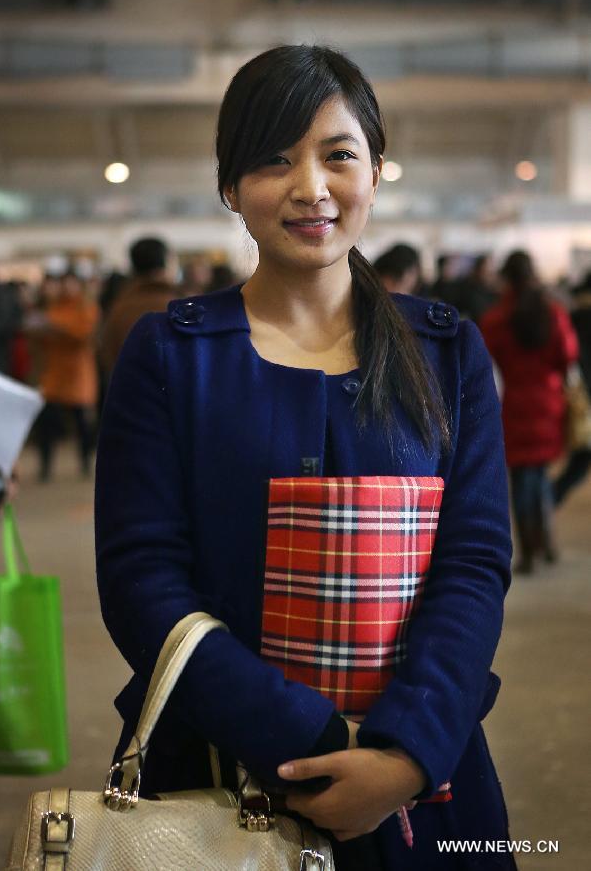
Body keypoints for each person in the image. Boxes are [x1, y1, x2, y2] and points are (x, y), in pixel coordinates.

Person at [96, 45, 514, 870]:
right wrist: (308, 740)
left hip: (426, 779)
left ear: (376, 170)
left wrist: (401, 756)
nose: (309, 188)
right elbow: (142, 577)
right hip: (216, 769)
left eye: (337, 156)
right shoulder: (174, 354)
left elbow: (472, 562)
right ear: (229, 187)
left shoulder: (444, 351)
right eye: (272, 160)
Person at [480, 251, 578, 574]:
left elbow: (484, 358)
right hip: (549, 403)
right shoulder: (553, 313)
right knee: (540, 475)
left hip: (516, 404)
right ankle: (547, 540)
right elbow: (568, 355)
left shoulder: (497, 319)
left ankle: (528, 552)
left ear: (506, 278)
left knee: (521, 480)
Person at [29, 269, 98, 480]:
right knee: (47, 422)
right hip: (54, 372)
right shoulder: (53, 307)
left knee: (82, 422)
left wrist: (54, 327)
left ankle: (86, 461)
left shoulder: (85, 307)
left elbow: (83, 333)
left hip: (78, 372)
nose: (67, 288)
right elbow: (37, 336)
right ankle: (45, 466)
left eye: (71, 283)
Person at [98, 238, 182, 380]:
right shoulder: (179, 306)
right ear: (167, 262)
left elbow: (106, 354)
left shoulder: (119, 306)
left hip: (128, 391)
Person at [552, 269, 591, 504]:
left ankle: (551, 498)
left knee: (581, 459)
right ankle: (551, 498)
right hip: (585, 392)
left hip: (579, 389)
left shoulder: (573, 315)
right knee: (581, 460)